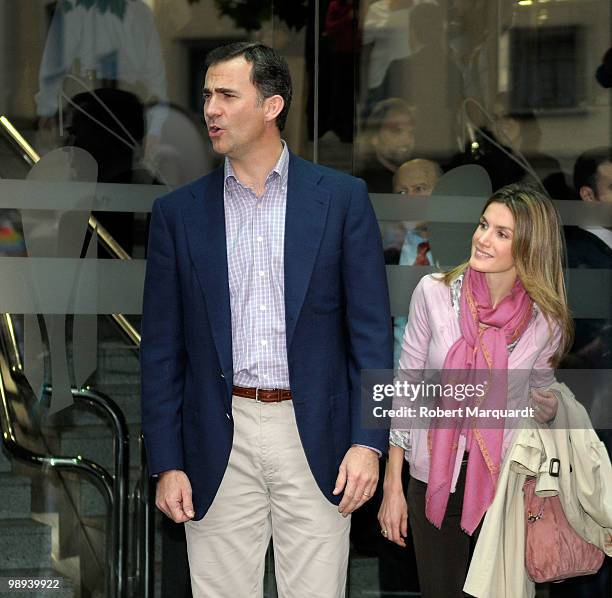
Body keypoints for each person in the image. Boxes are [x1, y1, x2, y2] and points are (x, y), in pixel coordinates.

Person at [140, 42, 393, 597]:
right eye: (207, 95)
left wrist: (368, 442)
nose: (210, 109)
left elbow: (372, 337)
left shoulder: (343, 199)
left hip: (319, 438)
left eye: (227, 95)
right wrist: (167, 461)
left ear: (272, 105)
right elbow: (160, 351)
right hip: (215, 437)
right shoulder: (177, 215)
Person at [378, 184, 574, 597]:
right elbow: (408, 387)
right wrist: (392, 485)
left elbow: (541, 396)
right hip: (432, 475)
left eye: (502, 233)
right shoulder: (433, 293)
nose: (483, 238)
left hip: (507, 485)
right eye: (485, 224)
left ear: (529, 248)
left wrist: (551, 406)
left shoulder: (546, 321)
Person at [355, 97, 416, 193]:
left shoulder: (417, 178)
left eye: (411, 132)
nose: (407, 140)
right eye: (396, 130)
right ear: (374, 137)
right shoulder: (361, 186)